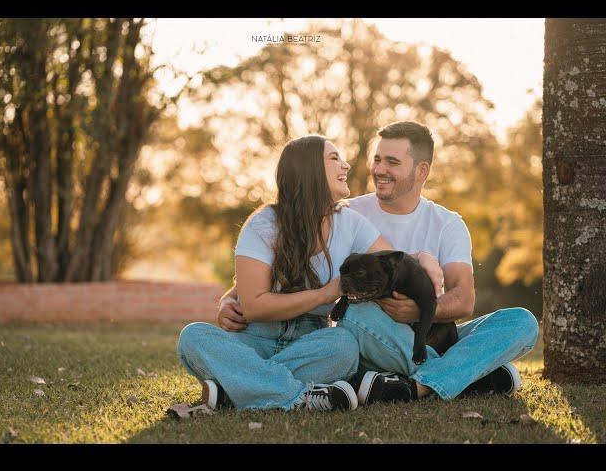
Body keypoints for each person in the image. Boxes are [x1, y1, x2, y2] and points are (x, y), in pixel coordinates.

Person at [218, 121, 540, 405]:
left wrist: (418, 311)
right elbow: (287, 256)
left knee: (521, 322)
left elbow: (464, 300)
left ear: (422, 171)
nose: (379, 169)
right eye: (377, 159)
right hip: (370, 336)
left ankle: (418, 386)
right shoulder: (347, 212)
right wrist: (230, 298)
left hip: (425, 335)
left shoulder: (446, 223)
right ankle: (468, 373)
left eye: (392, 162)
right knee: (356, 312)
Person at [177, 135, 444, 412]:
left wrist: (423, 256)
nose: (347, 165)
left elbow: (391, 263)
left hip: (313, 343)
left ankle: (236, 389)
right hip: (256, 338)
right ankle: (297, 397)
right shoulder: (264, 224)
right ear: (309, 170)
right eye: (334, 158)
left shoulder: (351, 223)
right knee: (193, 337)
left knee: (344, 345)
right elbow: (255, 306)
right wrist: (325, 293)